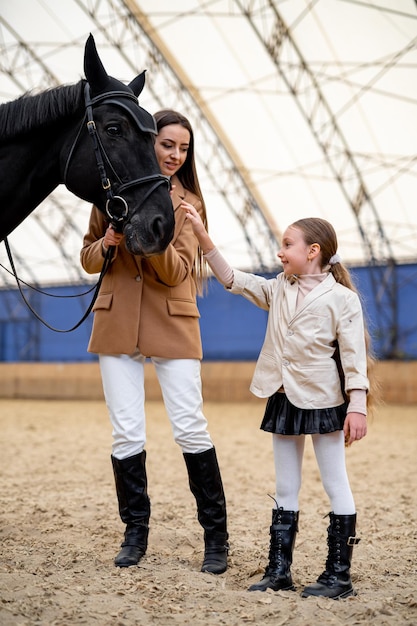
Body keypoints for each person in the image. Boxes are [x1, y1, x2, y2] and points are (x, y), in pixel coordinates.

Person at [181, 203, 377, 599]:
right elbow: (233, 279)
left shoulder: (342, 299)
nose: (280, 251)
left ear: (313, 251)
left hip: (324, 401)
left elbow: (355, 357)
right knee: (285, 485)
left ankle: (339, 577)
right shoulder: (277, 288)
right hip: (283, 397)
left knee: (335, 483)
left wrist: (356, 405)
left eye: (287, 244)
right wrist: (202, 236)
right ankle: (279, 570)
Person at [80, 109, 228, 574]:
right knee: (126, 430)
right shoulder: (109, 189)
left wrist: (152, 235)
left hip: (173, 320)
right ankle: (134, 535)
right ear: (150, 141)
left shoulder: (190, 203)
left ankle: (216, 539)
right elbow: (87, 258)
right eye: (168, 145)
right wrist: (109, 241)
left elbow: (179, 271)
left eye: (183, 149)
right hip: (117, 319)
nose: (175, 155)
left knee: (190, 427)